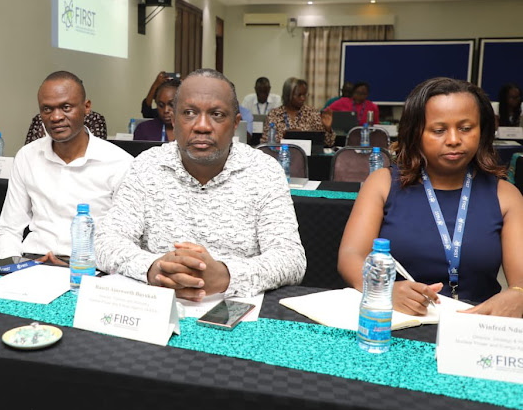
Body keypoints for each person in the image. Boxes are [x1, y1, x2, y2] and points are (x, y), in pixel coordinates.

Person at [95, 68, 306, 301]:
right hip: (156, 306)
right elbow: (106, 242)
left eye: (216, 114)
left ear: (236, 123)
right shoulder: (146, 166)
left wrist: (226, 276)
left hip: (236, 308)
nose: (202, 126)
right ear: (174, 120)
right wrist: (153, 268)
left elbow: (290, 259)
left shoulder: (264, 171)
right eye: (189, 113)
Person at [337, 77, 523, 318]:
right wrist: (384, 290)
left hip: (475, 329)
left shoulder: (506, 195)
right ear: (415, 132)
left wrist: (518, 295)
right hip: (398, 321)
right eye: (438, 130)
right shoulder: (382, 184)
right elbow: (350, 256)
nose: (454, 139)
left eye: (466, 128)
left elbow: (520, 283)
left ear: (483, 130)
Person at [0, 71, 133, 260]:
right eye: (47, 109)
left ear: (86, 107)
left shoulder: (120, 163)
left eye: (66, 107)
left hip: (91, 267)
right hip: (34, 263)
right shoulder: (27, 157)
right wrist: (10, 268)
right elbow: (9, 228)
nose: (56, 117)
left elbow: (127, 241)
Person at [261, 77, 335, 146]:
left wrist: (327, 129)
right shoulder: (274, 114)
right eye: (299, 95)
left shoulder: (312, 113)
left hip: (307, 158)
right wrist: (287, 138)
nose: (303, 98)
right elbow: (264, 143)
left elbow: (328, 144)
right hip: (280, 156)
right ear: (288, 95)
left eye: (305, 94)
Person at [25, 111, 107, 144]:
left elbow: (98, 148)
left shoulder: (94, 118)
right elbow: (30, 147)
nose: (57, 117)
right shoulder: (40, 119)